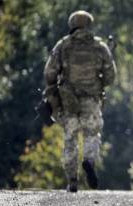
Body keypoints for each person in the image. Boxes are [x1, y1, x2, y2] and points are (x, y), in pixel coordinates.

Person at [43, 10, 117, 192]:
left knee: (70, 139)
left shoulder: (63, 45)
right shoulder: (99, 46)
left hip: (68, 101)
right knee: (92, 134)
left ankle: (72, 181)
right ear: (89, 25)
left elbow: (49, 73)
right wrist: (97, 80)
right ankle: (89, 161)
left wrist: (55, 90)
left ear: (72, 25)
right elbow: (110, 76)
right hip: (91, 100)